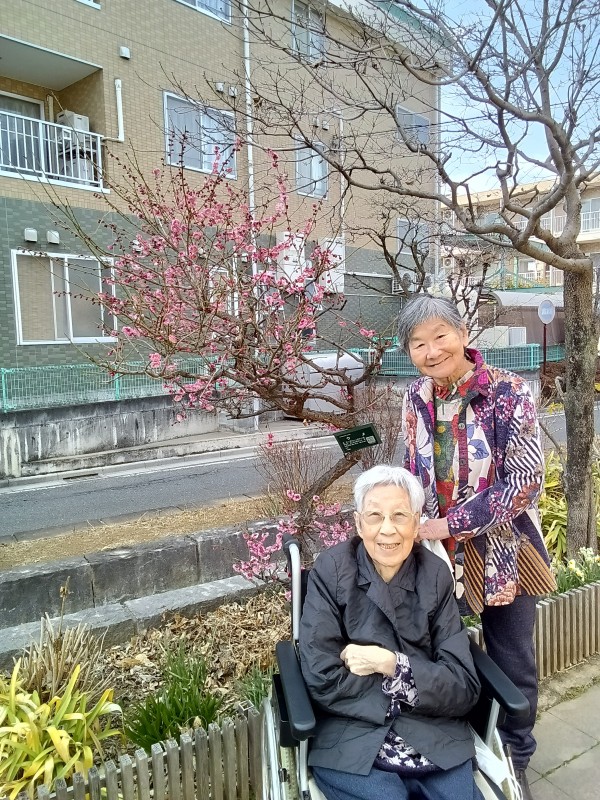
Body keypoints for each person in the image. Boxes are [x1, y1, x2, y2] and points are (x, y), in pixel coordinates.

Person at [397, 294, 556, 800]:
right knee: (440, 652)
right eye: (418, 343)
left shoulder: (508, 391)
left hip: (505, 552)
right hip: (436, 556)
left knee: (512, 661)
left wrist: (450, 523)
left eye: (439, 336)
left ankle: (516, 755)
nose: (431, 351)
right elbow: (409, 467)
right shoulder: (415, 397)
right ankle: (455, 745)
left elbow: (526, 482)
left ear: (463, 334)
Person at [299, 464, 484, 800]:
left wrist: (392, 665)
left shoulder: (435, 575)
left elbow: (461, 685)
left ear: (416, 523)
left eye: (399, 516)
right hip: (353, 736)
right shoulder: (332, 570)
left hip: (433, 736)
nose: (387, 529)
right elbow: (322, 674)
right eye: (375, 516)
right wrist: (415, 687)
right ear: (358, 523)